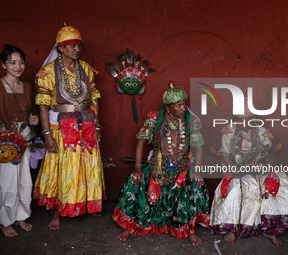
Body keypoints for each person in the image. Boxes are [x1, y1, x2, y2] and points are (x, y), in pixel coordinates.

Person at [113, 82, 210, 246]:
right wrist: (137, 168)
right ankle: (132, 226)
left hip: (181, 167)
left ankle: (189, 229)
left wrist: (197, 170)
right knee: (137, 182)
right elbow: (141, 142)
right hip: (157, 166)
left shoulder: (190, 121)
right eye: (178, 105)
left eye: (184, 104)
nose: (183, 108)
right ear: (167, 108)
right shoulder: (155, 120)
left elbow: (199, 146)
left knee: (194, 184)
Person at [33, 25, 105, 230]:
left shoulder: (87, 68)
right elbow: (43, 105)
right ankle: (58, 211)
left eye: (78, 45)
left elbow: (95, 98)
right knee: (63, 168)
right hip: (61, 126)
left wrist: (97, 124)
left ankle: (89, 202)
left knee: (88, 164)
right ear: (61, 48)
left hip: (87, 122)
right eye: (71, 45)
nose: (76, 49)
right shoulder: (47, 72)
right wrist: (47, 134)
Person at [209, 106, 288, 247]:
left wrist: (263, 166)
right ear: (236, 119)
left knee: (279, 184)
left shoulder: (263, 133)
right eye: (240, 119)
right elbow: (225, 155)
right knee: (235, 190)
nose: (244, 123)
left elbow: (270, 156)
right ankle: (232, 229)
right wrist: (235, 168)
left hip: (259, 169)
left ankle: (268, 229)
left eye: (248, 119)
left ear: (253, 119)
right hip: (237, 170)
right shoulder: (229, 132)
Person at [0, 44, 39, 237]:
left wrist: (34, 119)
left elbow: (31, 112)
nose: (18, 66)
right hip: (5, 142)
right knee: (7, 182)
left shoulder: (27, 87)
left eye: (21, 62)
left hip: (24, 140)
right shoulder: (0, 86)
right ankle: (5, 220)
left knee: (25, 180)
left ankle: (21, 216)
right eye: (12, 62)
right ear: (4, 65)